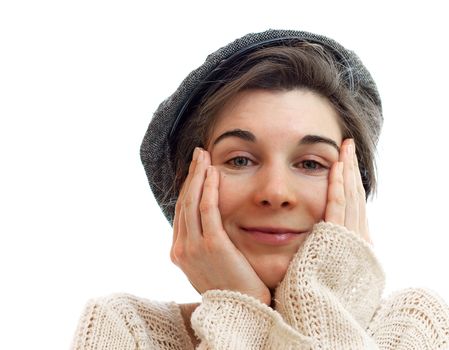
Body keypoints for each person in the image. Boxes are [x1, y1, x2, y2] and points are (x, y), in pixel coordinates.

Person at [71, 29, 449, 349]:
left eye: (311, 163)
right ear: (189, 183)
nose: (276, 192)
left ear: (352, 186)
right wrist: (242, 307)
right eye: (239, 160)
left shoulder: (418, 326)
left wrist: (317, 301)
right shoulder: (126, 330)